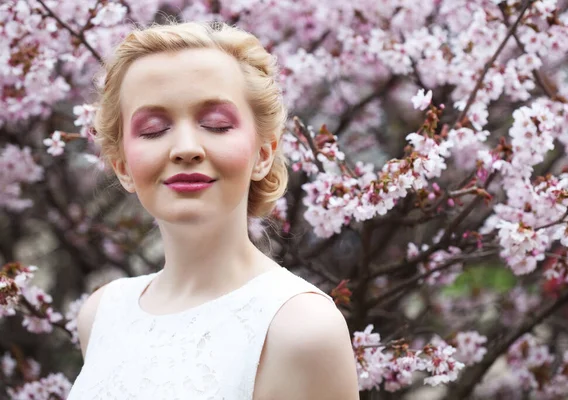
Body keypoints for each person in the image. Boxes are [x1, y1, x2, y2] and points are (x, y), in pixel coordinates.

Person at [67, 20, 360, 400]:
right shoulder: (101, 314)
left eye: (216, 125)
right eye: (154, 129)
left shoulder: (302, 328)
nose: (186, 148)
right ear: (122, 164)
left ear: (263, 153)